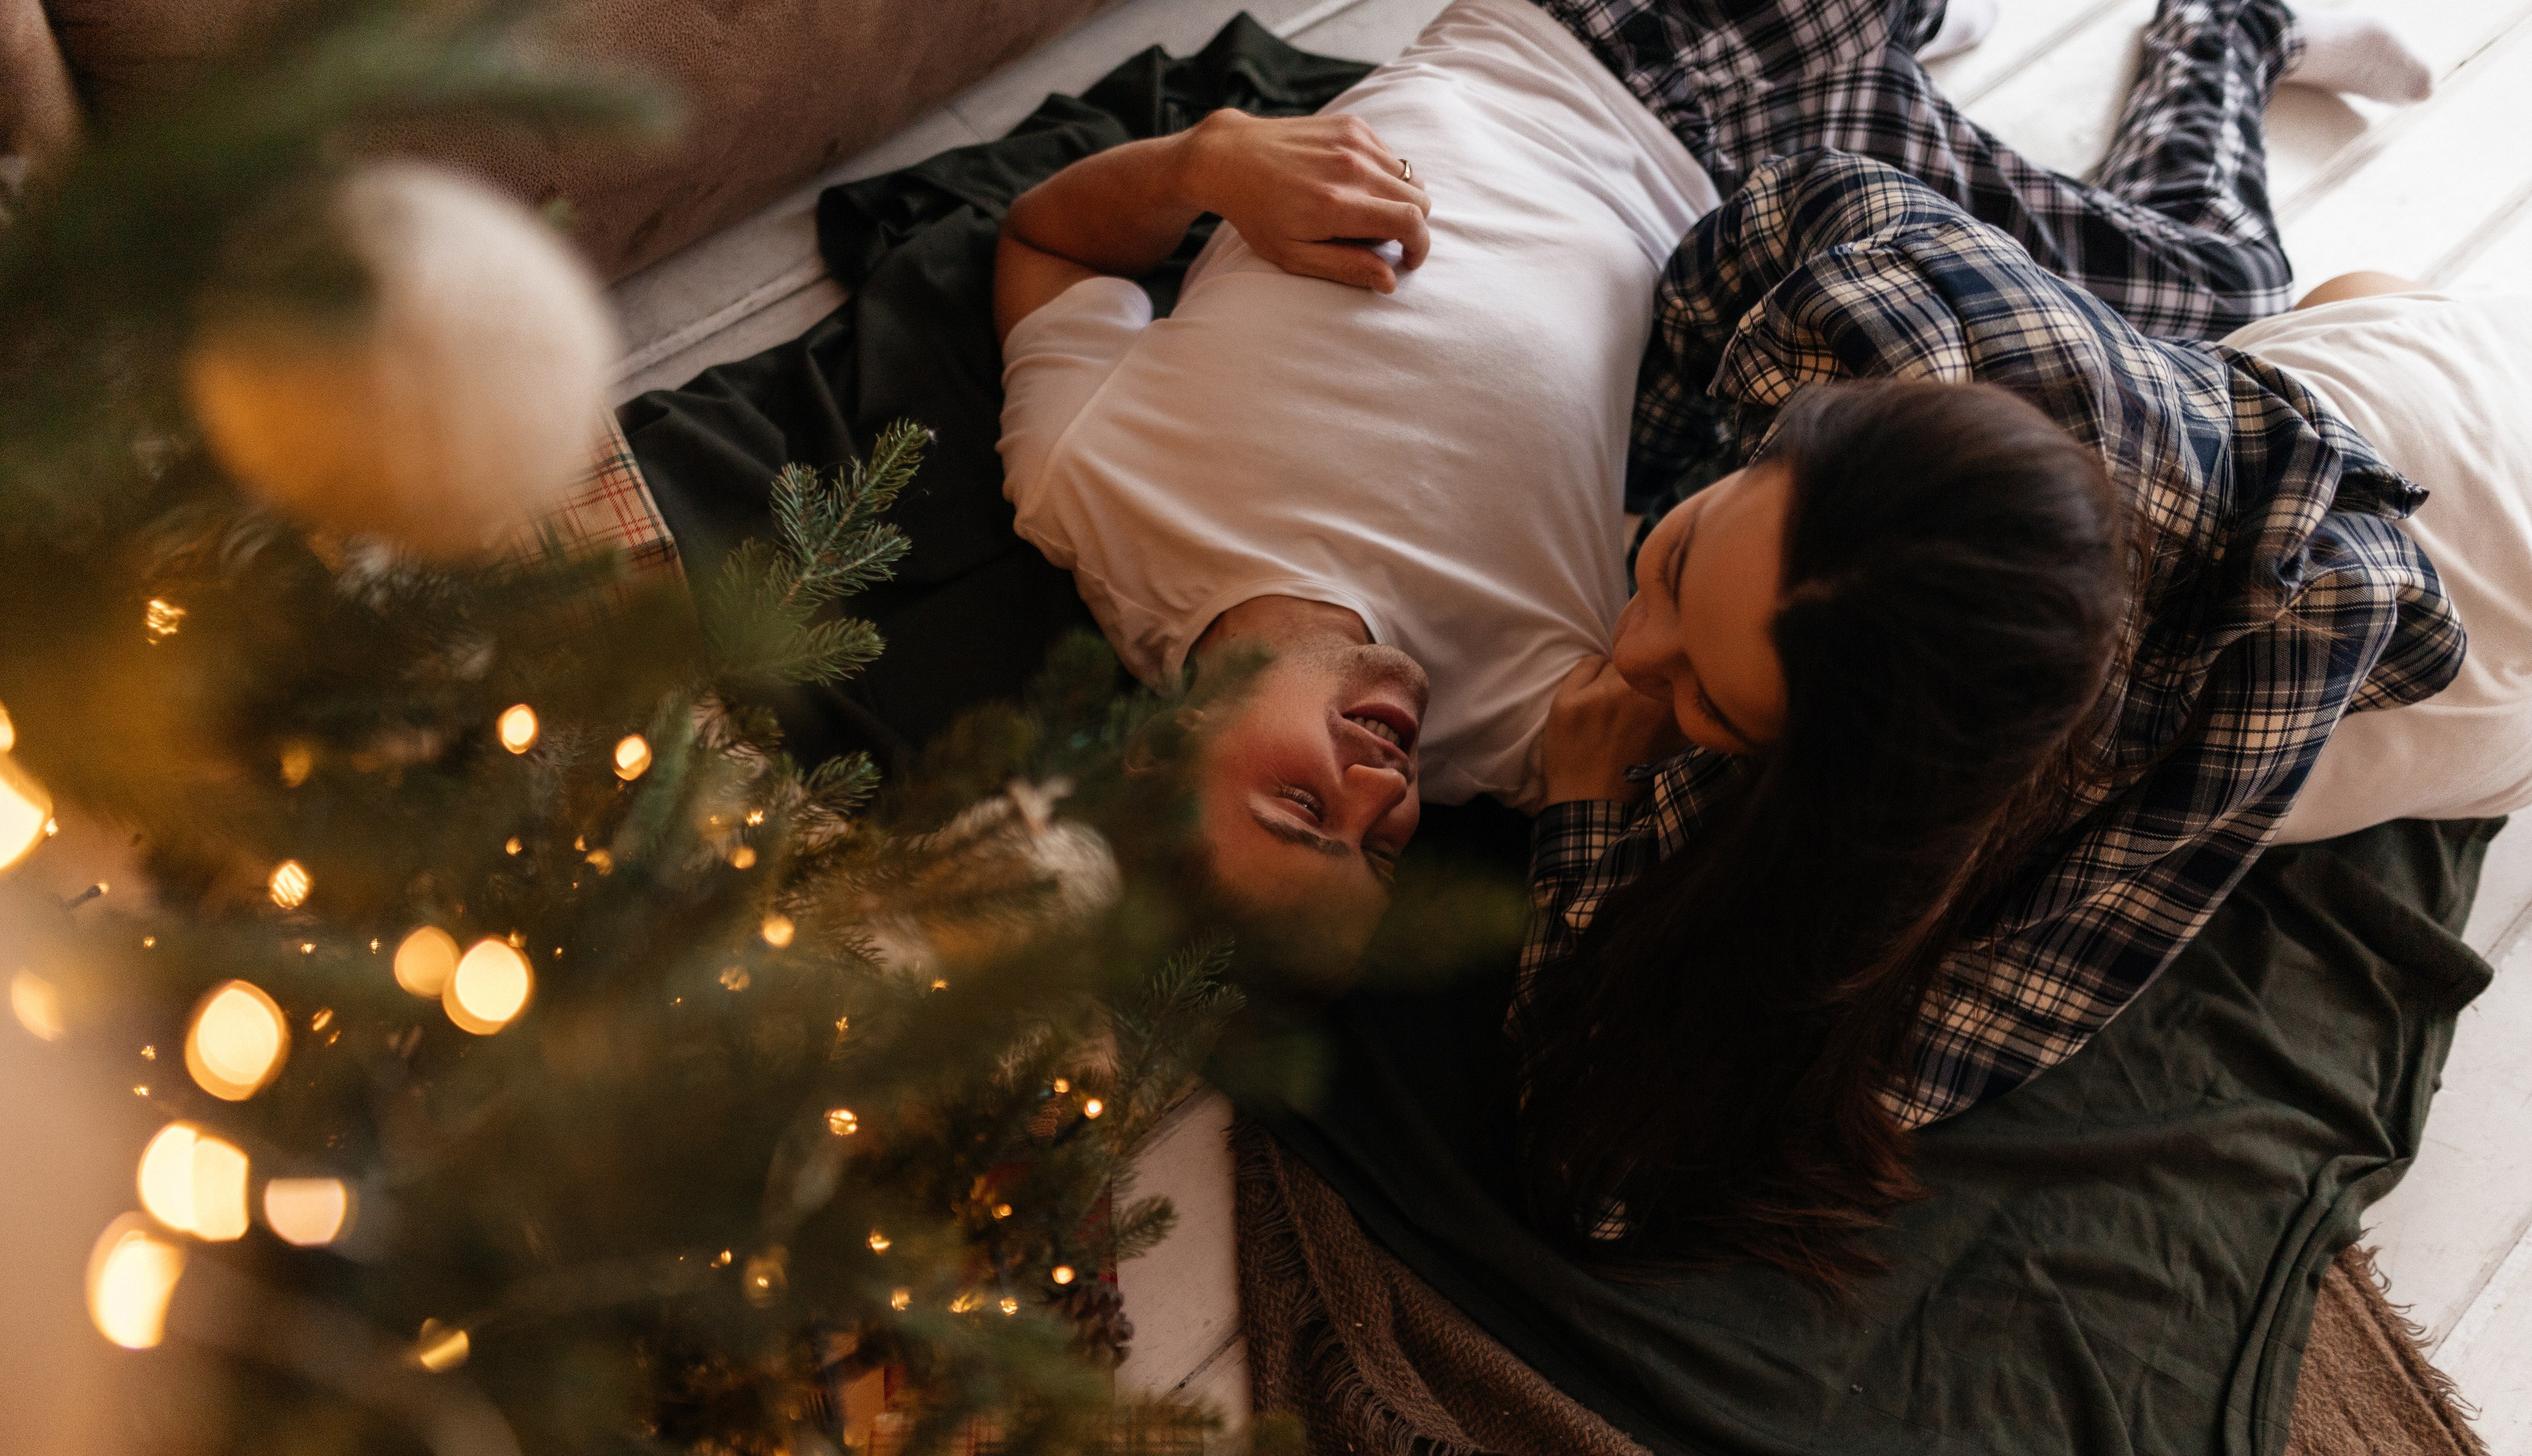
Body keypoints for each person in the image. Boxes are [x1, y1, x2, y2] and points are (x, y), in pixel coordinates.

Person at [992, 0, 2433, 965]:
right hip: (1767, 200)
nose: (1382, 795)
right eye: (1378, 852)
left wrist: (1211, 158)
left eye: (1307, 809)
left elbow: (1048, 249)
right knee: (2227, 284)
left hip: (1573, 39)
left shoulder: (1092, 489)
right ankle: (2232, 27)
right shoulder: (1516, 730)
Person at [1517, 108, 2510, 1277]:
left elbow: (1623, 1170)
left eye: (1715, 706)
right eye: (1680, 566)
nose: (1633, 653)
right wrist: (1655, 473)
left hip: (2491, 646)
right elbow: (1719, 265)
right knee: (2327, 287)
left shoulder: (2214, 728)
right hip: (2396, 353)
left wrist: (1583, 811)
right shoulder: (1887, 286)